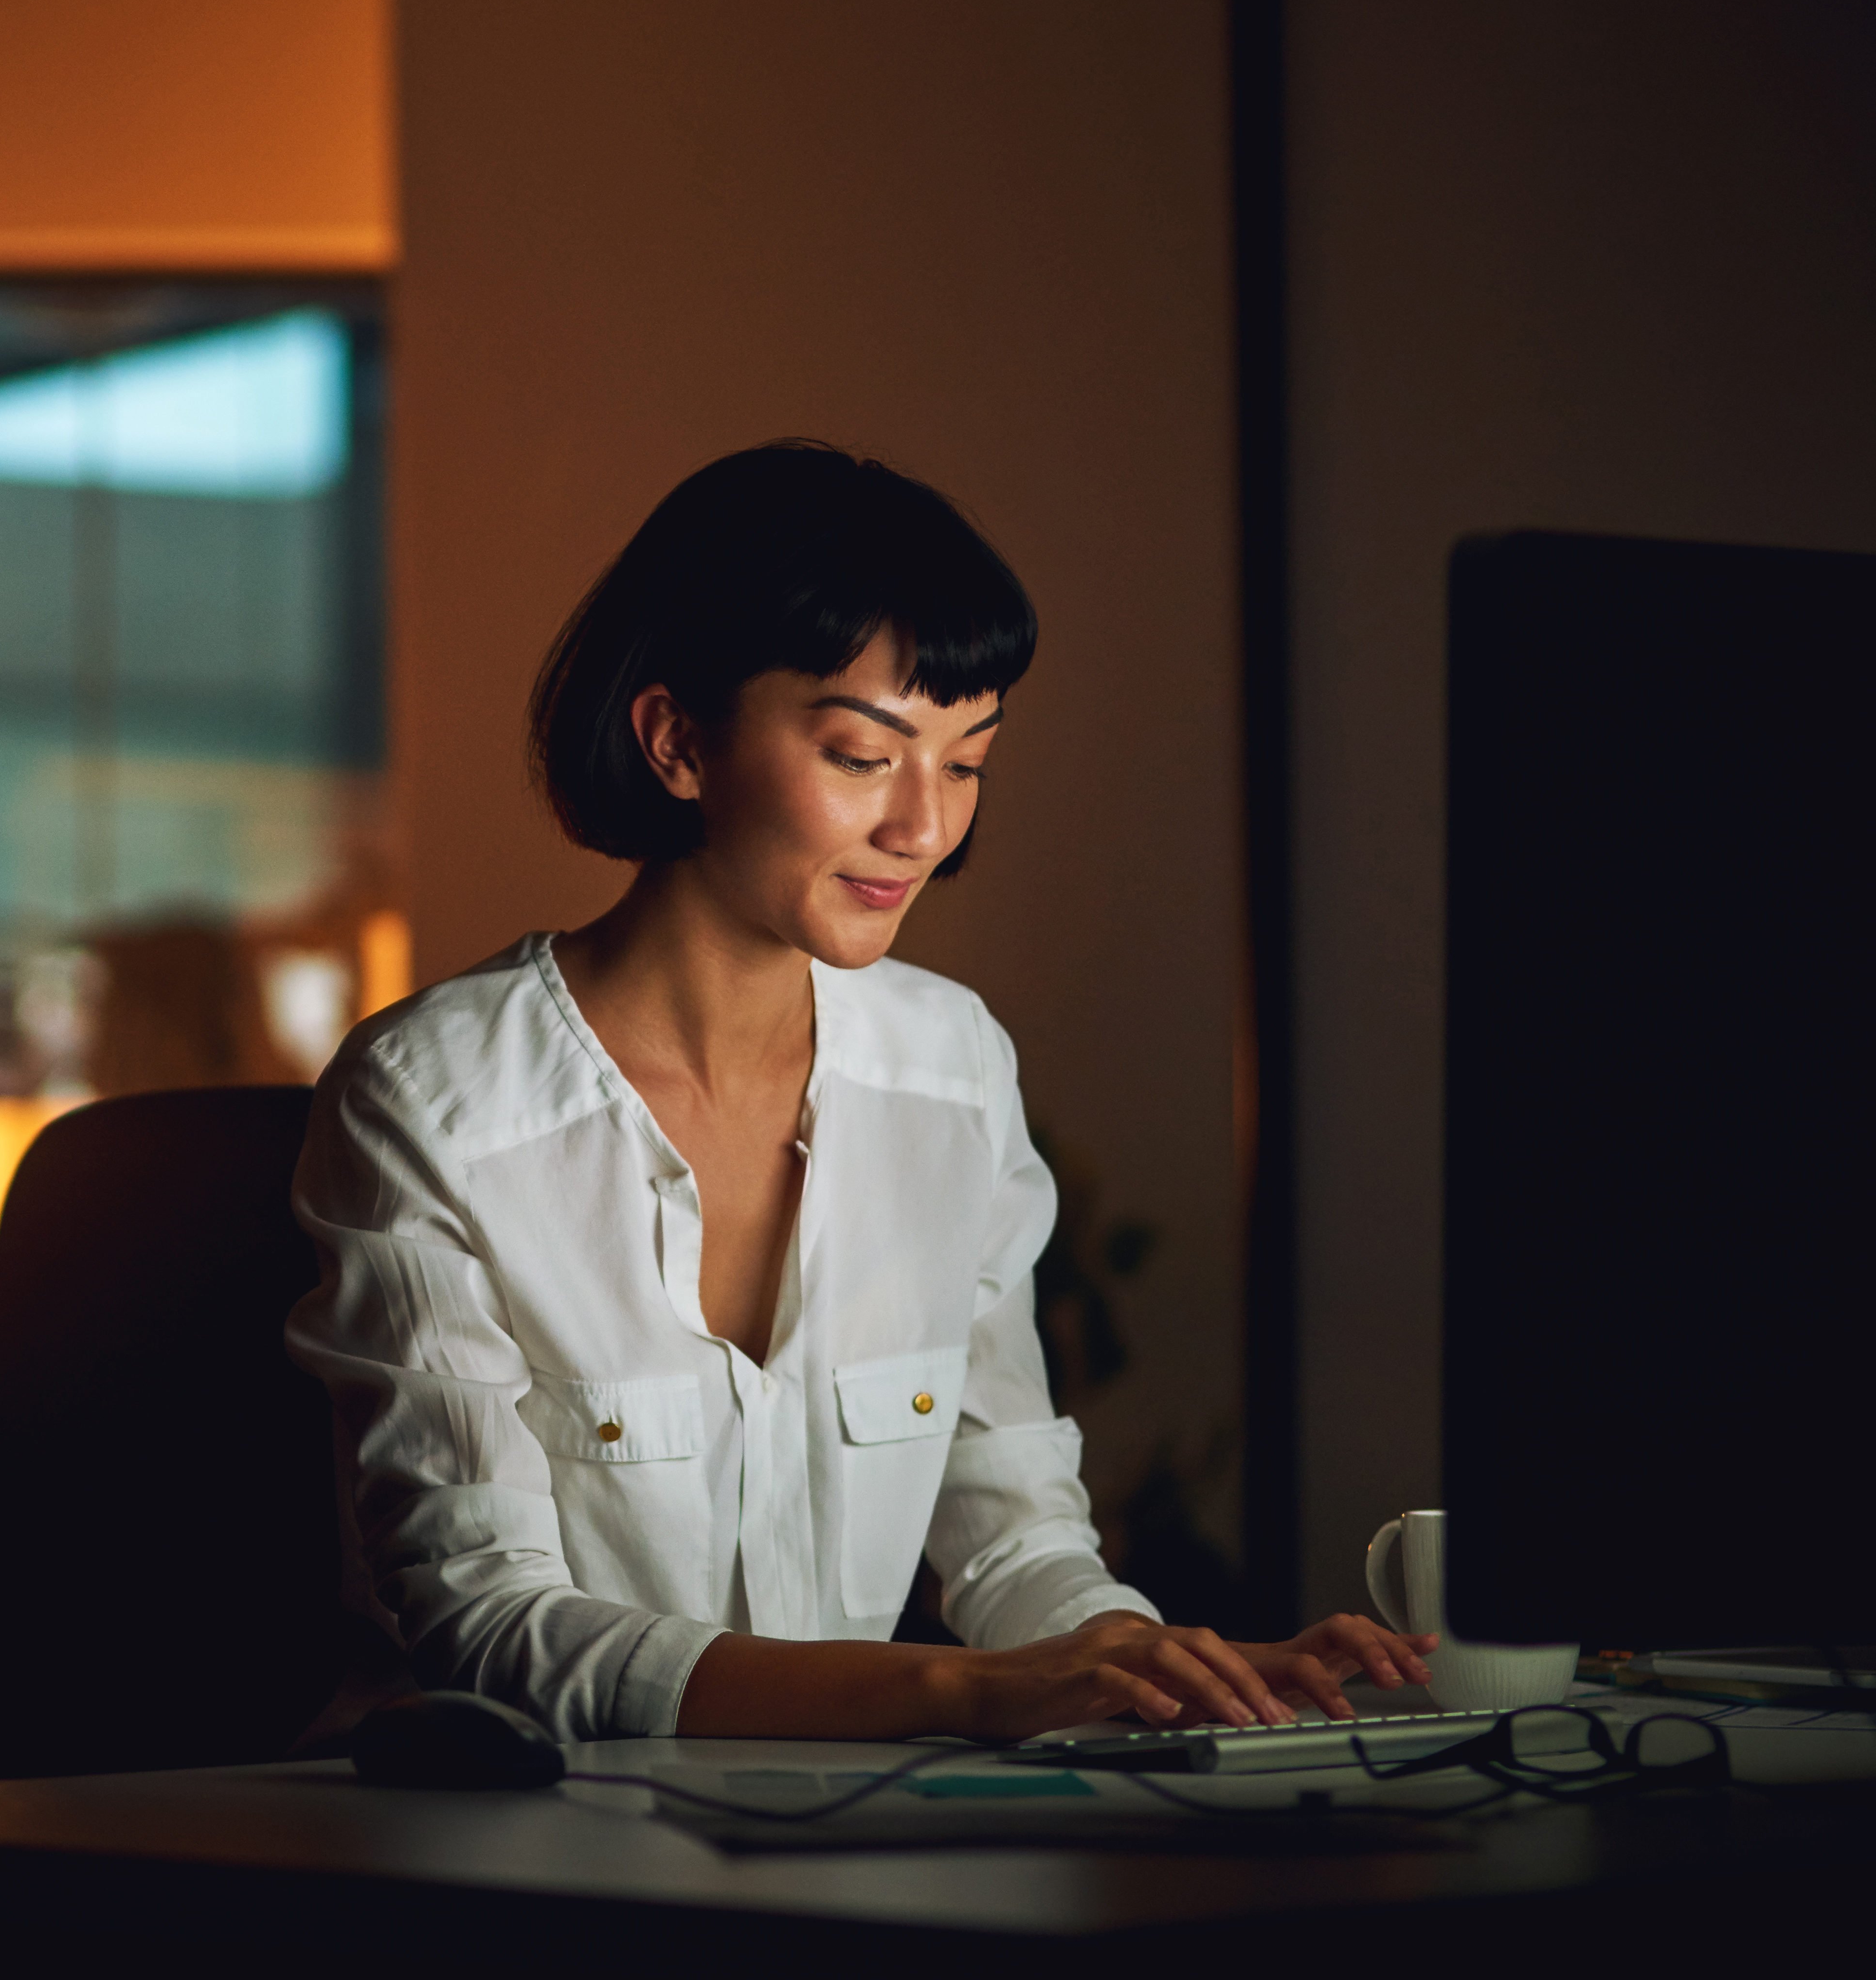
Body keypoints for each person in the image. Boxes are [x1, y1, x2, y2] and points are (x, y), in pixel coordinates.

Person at [286, 442, 1433, 1743]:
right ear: (675, 742)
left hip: (840, 1839)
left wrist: (1162, 1667)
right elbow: (489, 1627)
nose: (924, 828)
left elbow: (1014, 1538)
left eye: (965, 760)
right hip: (510, 1849)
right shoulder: (437, 1103)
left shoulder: (950, 1073)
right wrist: (954, 1689)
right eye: (859, 755)